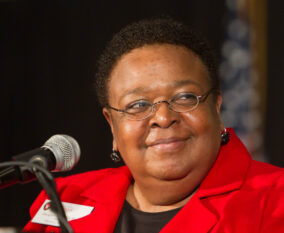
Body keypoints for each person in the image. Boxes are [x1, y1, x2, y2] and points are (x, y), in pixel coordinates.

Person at [23, 18, 284, 233]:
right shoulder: (66, 197)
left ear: (216, 107)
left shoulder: (275, 200)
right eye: (137, 105)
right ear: (112, 124)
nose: (162, 116)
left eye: (184, 98)